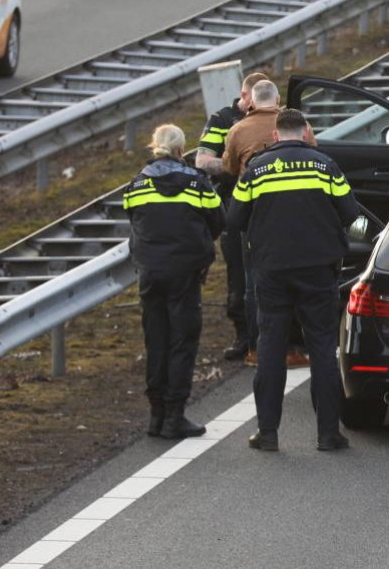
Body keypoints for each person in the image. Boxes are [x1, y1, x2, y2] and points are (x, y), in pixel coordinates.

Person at [228, 108, 363, 453]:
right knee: (321, 349)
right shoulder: (324, 166)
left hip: (272, 271)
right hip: (318, 270)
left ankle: (268, 433)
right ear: (305, 133)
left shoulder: (256, 169)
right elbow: (351, 214)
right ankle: (328, 434)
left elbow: (235, 217)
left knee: (271, 348)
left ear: (275, 135)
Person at [125, 124, 223, 439]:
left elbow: (134, 220)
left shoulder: (137, 185)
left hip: (150, 272)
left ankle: (156, 416)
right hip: (185, 273)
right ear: (182, 149)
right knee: (183, 340)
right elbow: (218, 221)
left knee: (156, 341)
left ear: (155, 147)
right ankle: (175, 416)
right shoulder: (198, 184)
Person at [196, 70, 274, 361]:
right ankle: (243, 334)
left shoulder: (272, 116)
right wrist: (235, 165)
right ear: (244, 96)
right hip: (233, 203)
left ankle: (273, 333)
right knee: (238, 274)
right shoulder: (222, 120)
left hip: (270, 205)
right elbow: (202, 160)